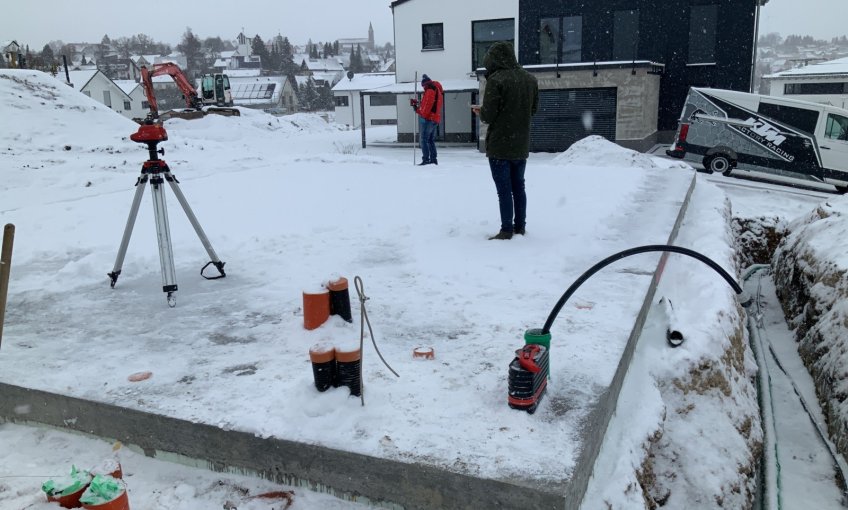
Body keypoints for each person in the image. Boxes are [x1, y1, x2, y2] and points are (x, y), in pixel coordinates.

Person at [472, 42, 539, 240]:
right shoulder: (530, 79)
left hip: (500, 145)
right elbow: (533, 110)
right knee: (519, 187)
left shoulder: (496, 80)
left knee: (504, 191)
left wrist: (480, 111)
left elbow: (489, 115)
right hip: (521, 145)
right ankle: (520, 227)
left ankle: (506, 230)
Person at [410, 74, 443, 165]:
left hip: (429, 119)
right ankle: (433, 159)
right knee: (430, 140)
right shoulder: (437, 90)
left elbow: (427, 108)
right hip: (435, 119)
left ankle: (426, 159)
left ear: (426, 84)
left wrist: (417, 109)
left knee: (424, 139)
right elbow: (429, 106)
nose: (423, 88)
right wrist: (418, 106)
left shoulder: (430, 91)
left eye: (423, 86)